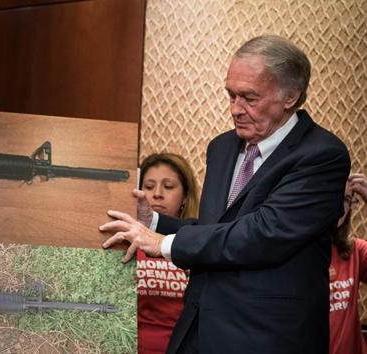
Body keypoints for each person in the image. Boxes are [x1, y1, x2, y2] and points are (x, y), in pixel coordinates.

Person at [99, 34, 350, 354]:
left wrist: (163, 244)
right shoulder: (221, 147)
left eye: (249, 98)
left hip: (266, 338)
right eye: (230, 95)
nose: (235, 109)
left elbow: (263, 234)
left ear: (290, 95)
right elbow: (216, 227)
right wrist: (157, 221)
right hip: (198, 331)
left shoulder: (321, 155)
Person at [136, 153, 199, 354]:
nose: (157, 194)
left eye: (168, 186)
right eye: (148, 186)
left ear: (184, 198)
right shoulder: (125, 241)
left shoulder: (200, 244)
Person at [330, 173, 367, 354]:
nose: (340, 208)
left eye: (345, 200)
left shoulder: (355, 251)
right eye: (333, 196)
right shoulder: (294, 253)